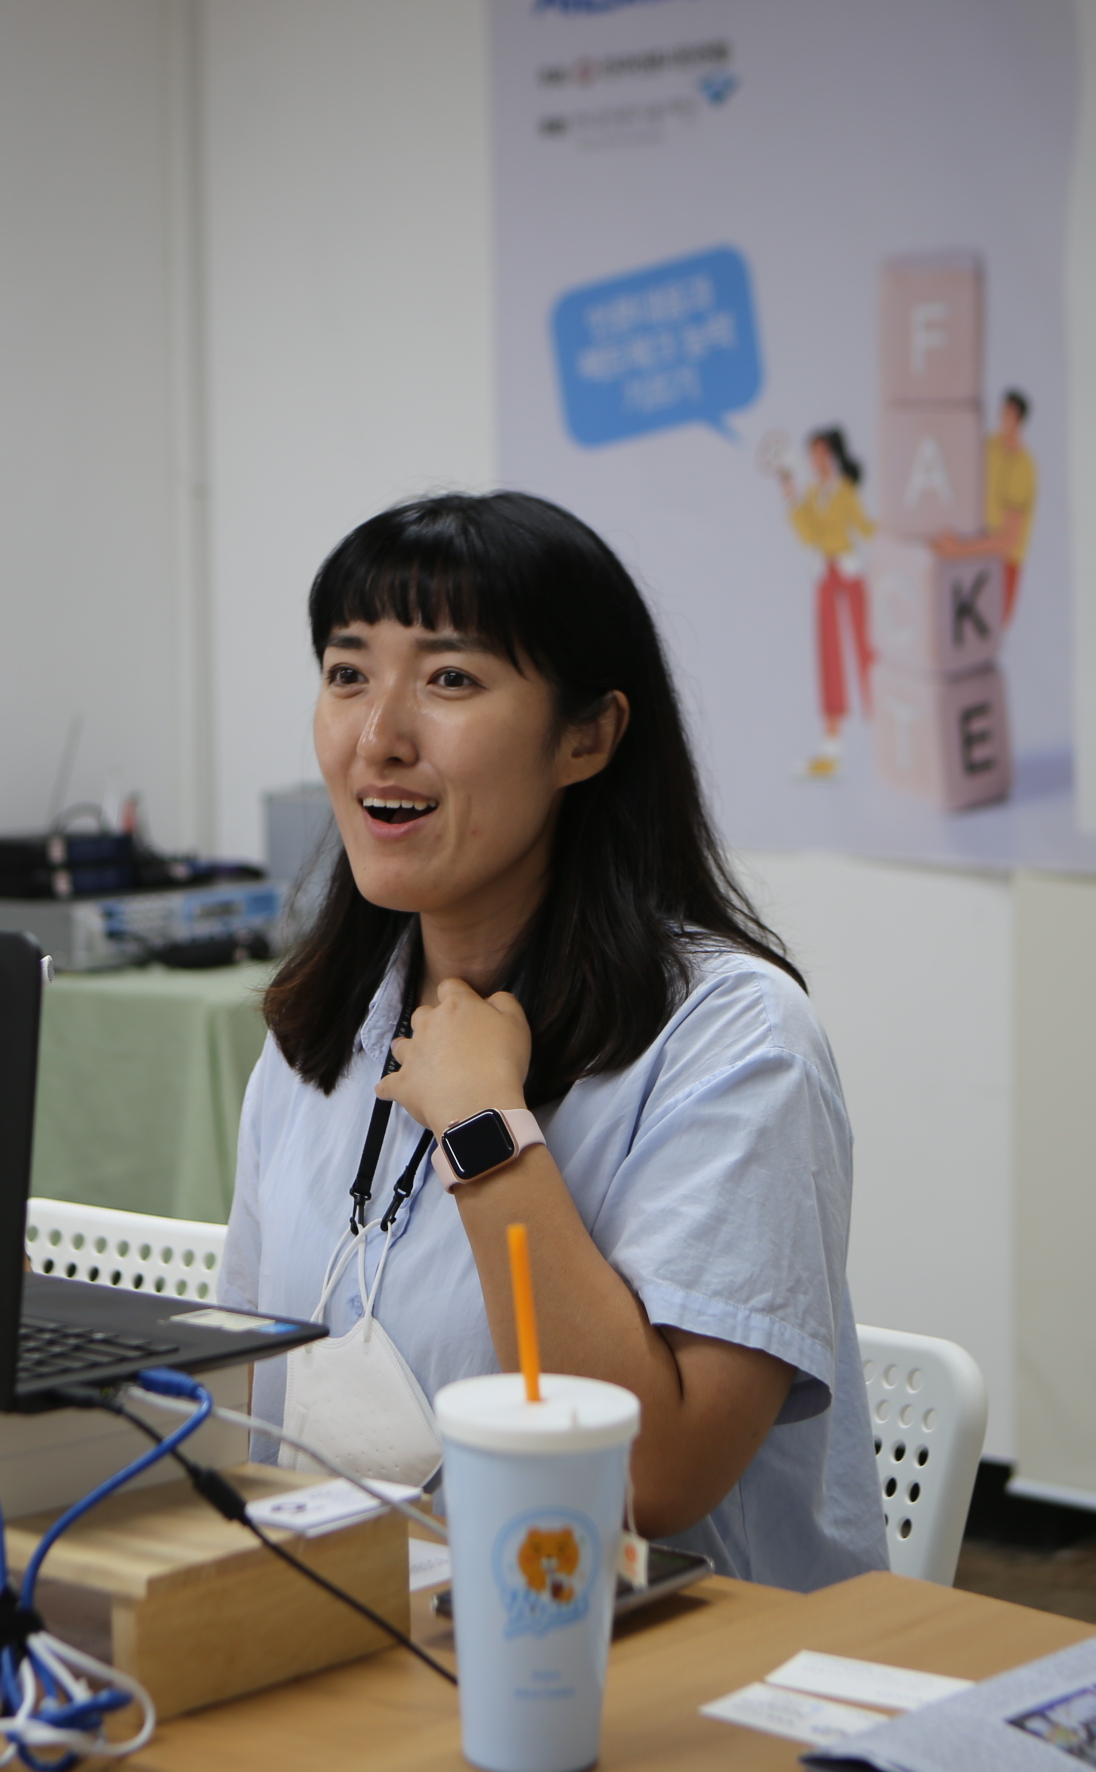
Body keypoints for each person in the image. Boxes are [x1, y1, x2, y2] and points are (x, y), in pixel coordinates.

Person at [220, 491, 885, 1593]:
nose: (378, 737)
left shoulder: (734, 1039)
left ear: (588, 736)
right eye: (347, 673)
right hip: (371, 1620)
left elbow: (653, 1478)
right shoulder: (326, 1025)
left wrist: (487, 1130)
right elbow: (248, 1403)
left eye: (450, 679)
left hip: (667, 1657)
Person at [775, 427, 875, 777]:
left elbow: (864, 527)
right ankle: (831, 744)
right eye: (812, 453)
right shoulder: (814, 494)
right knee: (829, 654)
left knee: (866, 648)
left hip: (850, 573)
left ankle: (883, 728)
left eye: (821, 452)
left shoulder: (844, 490)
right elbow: (810, 536)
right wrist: (791, 496)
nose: (816, 459)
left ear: (832, 454)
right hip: (825, 575)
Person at [931, 388, 1035, 622]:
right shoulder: (990, 446)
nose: (1004, 420)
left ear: (1019, 420)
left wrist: (958, 550)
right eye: (1003, 413)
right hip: (974, 549)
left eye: (1010, 415)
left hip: (1001, 565)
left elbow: (1008, 540)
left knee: (983, 630)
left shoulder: (1022, 466)